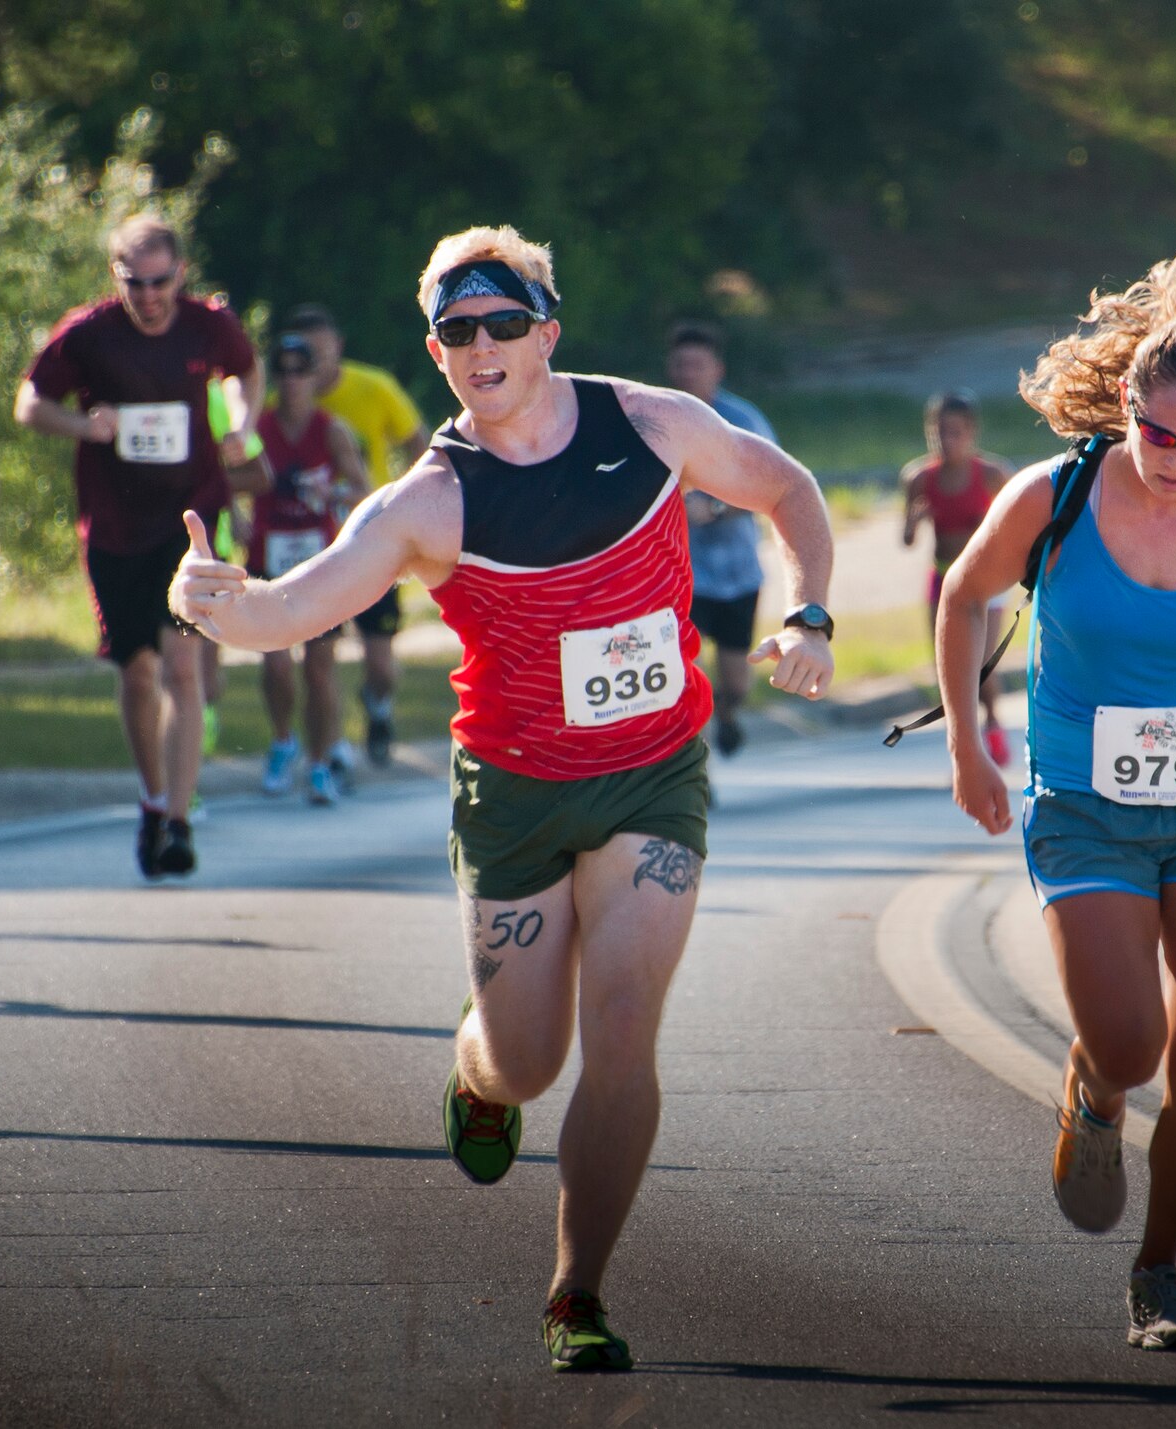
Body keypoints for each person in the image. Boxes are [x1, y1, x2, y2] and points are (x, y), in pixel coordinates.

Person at [172, 225, 836, 1372]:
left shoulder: (647, 423)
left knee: (623, 1030)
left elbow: (784, 487)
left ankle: (575, 1291)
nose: (481, 346)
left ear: (546, 332)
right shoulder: (427, 501)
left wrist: (809, 608)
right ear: (436, 353)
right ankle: (477, 1073)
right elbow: (289, 610)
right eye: (456, 332)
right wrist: (208, 602)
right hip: (516, 796)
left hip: (651, 775)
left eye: (502, 324)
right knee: (527, 1060)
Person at [934, 250, 1176, 1351]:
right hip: (1085, 805)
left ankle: (1159, 1272)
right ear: (1126, 407)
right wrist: (968, 745)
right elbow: (962, 598)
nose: (1174, 459)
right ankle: (1095, 1089)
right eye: (1157, 434)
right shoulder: (1049, 496)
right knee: (1129, 1040)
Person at [15, 214, 261, 879]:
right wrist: (81, 424)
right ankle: (153, 799)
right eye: (135, 283)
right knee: (137, 670)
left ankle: (179, 819)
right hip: (115, 524)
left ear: (180, 274)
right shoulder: (89, 334)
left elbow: (245, 370)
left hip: (190, 518)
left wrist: (241, 423)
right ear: (115, 278)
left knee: (182, 663)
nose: (149, 296)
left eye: (160, 282)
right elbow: (30, 403)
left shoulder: (208, 325)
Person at [284, 303, 431, 768]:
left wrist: (411, 498)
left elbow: (418, 440)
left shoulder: (374, 387)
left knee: (381, 662)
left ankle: (378, 702)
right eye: (305, 353)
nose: (314, 365)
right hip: (314, 542)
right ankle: (324, 750)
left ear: (338, 349)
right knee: (317, 657)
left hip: (374, 538)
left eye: (322, 353)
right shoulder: (283, 401)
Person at [239, 334, 368, 803]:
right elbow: (227, 478)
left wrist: (328, 492)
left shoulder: (331, 431)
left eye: (301, 370)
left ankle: (319, 764)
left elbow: (361, 488)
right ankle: (282, 740)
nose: (292, 381)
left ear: (315, 377)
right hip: (268, 559)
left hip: (319, 562)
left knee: (318, 669)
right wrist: (236, 514)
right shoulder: (261, 428)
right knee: (276, 664)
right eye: (284, 371)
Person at [665, 320, 776, 758]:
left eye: (698, 365)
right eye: (681, 365)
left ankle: (726, 714)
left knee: (735, 683)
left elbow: (775, 488)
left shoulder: (743, 421)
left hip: (737, 573)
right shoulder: (656, 418)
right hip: (680, 577)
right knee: (681, 679)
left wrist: (712, 508)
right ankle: (697, 764)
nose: (689, 373)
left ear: (718, 370)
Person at [902, 390, 1014, 765]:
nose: (947, 440)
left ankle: (993, 723)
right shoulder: (918, 478)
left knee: (980, 667)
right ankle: (965, 747)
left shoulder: (993, 475)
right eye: (939, 432)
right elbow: (906, 539)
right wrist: (914, 521)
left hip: (987, 579)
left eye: (956, 432)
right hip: (943, 578)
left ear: (971, 432)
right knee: (947, 670)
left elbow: (1020, 527)